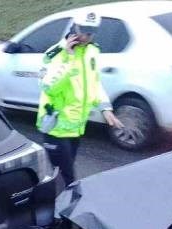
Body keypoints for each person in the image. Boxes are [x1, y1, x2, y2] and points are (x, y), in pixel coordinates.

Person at [36, 11, 124, 186]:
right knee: (66, 178)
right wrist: (68, 59)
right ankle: (59, 209)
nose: (86, 36)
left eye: (91, 31)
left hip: (76, 127)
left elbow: (93, 83)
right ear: (73, 27)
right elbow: (49, 87)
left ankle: (60, 206)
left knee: (65, 178)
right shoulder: (55, 54)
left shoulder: (92, 51)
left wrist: (105, 109)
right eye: (83, 30)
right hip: (56, 128)